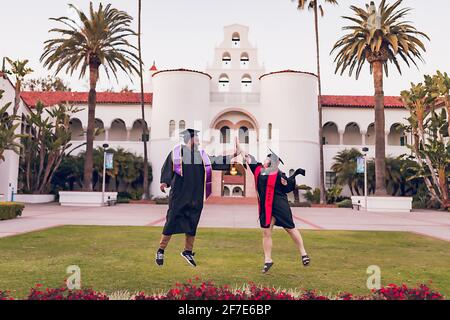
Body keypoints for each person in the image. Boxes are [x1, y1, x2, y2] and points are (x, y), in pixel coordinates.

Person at [156, 129, 237, 267]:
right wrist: (165, 181)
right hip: (179, 195)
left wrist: (233, 155)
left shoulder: (201, 155)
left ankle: (188, 251)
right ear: (190, 139)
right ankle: (161, 250)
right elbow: (168, 168)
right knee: (171, 221)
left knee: (192, 222)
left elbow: (215, 161)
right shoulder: (177, 152)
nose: (198, 140)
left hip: (195, 196)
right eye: (196, 137)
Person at [240, 146, 310, 273]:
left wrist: (291, 179)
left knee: (290, 229)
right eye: (266, 159)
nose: (265, 160)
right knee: (266, 232)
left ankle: (303, 253)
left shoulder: (279, 174)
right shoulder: (258, 169)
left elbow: (288, 187)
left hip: (280, 206)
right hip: (266, 208)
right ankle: (268, 260)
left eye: (267, 159)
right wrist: (238, 144)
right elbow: (246, 156)